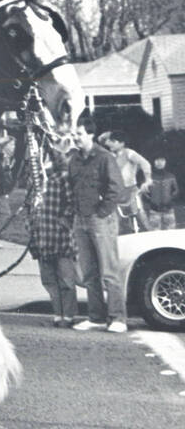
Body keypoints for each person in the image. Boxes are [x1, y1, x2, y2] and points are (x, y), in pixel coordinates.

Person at [67, 111, 126, 332]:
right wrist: (73, 214)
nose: (75, 137)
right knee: (89, 272)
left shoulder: (104, 158)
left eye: (79, 134)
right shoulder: (74, 160)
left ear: (91, 135)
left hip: (101, 220)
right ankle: (96, 317)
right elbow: (71, 188)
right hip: (80, 220)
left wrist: (102, 213)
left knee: (109, 271)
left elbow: (116, 189)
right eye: (74, 134)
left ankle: (118, 318)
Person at [27, 143, 78, 327]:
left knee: (65, 279)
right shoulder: (37, 181)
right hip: (41, 236)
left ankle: (69, 315)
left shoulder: (63, 178)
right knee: (49, 280)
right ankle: (58, 314)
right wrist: (30, 225)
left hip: (59, 237)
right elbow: (30, 206)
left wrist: (64, 221)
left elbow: (72, 203)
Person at [99, 129, 151, 233]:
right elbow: (100, 139)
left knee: (140, 218)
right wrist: (110, 134)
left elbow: (145, 164)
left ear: (122, 143)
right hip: (116, 193)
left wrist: (148, 179)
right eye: (110, 141)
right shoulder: (110, 155)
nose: (110, 144)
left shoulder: (129, 153)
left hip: (131, 191)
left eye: (113, 141)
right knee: (120, 224)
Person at [143, 156, 179, 231]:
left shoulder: (171, 176)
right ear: (154, 162)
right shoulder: (149, 178)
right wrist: (152, 201)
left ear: (165, 162)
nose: (159, 163)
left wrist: (170, 200)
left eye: (162, 160)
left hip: (168, 209)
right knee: (154, 234)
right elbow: (145, 192)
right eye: (157, 160)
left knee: (171, 233)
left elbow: (176, 190)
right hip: (154, 210)